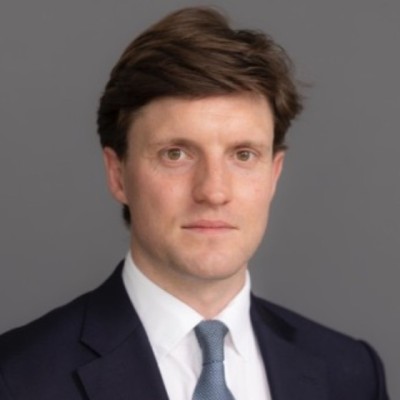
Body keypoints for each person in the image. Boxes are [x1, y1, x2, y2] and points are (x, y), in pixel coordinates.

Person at [0, 6, 389, 400]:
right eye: (176, 154)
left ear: (274, 174)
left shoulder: (352, 375)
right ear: (118, 174)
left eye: (243, 155)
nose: (213, 191)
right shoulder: (16, 378)